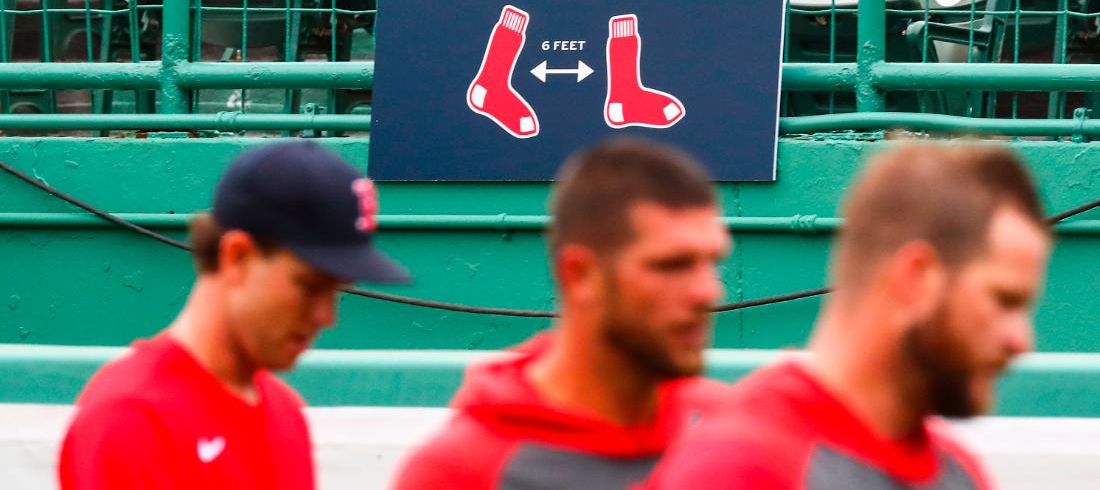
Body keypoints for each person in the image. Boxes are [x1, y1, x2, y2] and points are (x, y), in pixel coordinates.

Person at [645, 143, 1051, 490]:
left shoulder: (958, 471)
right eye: (1004, 301)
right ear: (915, 278)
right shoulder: (740, 471)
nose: (1021, 340)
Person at [59, 141, 410, 489]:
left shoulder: (284, 411)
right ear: (236, 256)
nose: (326, 316)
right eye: (309, 286)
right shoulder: (133, 417)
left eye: (335, 290)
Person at [393, 138, 732, 490]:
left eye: (712, 262)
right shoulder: (464, 473)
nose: (707, 292)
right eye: (671, 265)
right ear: (580, 275)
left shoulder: (733, 432)